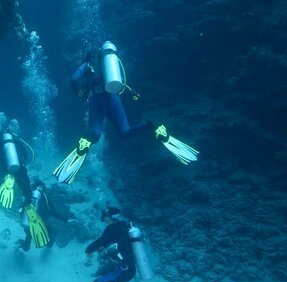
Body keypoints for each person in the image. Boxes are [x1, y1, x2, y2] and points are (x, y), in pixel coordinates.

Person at [54, 41, 199, 184]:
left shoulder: (87, 66)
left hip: (97, 100)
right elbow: (123, 82)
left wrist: (78, 90)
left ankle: (85, 141)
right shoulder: (112, 63)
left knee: (96, 133)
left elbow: (73, 79)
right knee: (126, 132)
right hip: (113, 98)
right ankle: (153, 126)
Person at [0, 129, 50, 248]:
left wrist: (2, 169)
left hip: (3, 170)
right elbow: (26, 157)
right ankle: (28, 209)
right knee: (27, 195)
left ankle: (8, 180)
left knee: (5, 189)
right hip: (20, 170)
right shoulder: (17, 141)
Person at [84, 207, 136, 282]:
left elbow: (100, 241)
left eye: (104, 215)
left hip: (124, 271)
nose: (102, 217)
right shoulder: (123, 225)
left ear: (110, 218)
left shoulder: (111, 229)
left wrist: (88, 250)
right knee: (106, 277)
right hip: (128, 268)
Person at [18, 180, 73, 251]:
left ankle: (26, 246)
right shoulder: (46, 198)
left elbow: (22, 208)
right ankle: (48, 244)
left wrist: (22, 216)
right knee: (48, 229)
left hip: (27, 222)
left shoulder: (29, 196)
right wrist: (65, 219)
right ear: (44, 189)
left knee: (29, 233)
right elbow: (54, 213)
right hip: (41, 223)